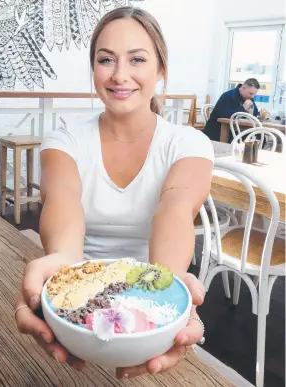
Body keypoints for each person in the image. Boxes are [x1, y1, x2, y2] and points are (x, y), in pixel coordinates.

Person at [14, 6, 214, 380]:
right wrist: (63, 269)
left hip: (148, 298)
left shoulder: (189, 143)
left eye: (137, 59)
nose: (120, 74)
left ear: (160, 70)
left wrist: (164, 297)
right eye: (106, 59)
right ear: (94, 70)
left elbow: (174, 209)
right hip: (78, 301)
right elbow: (63, 201)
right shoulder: (65, 139)